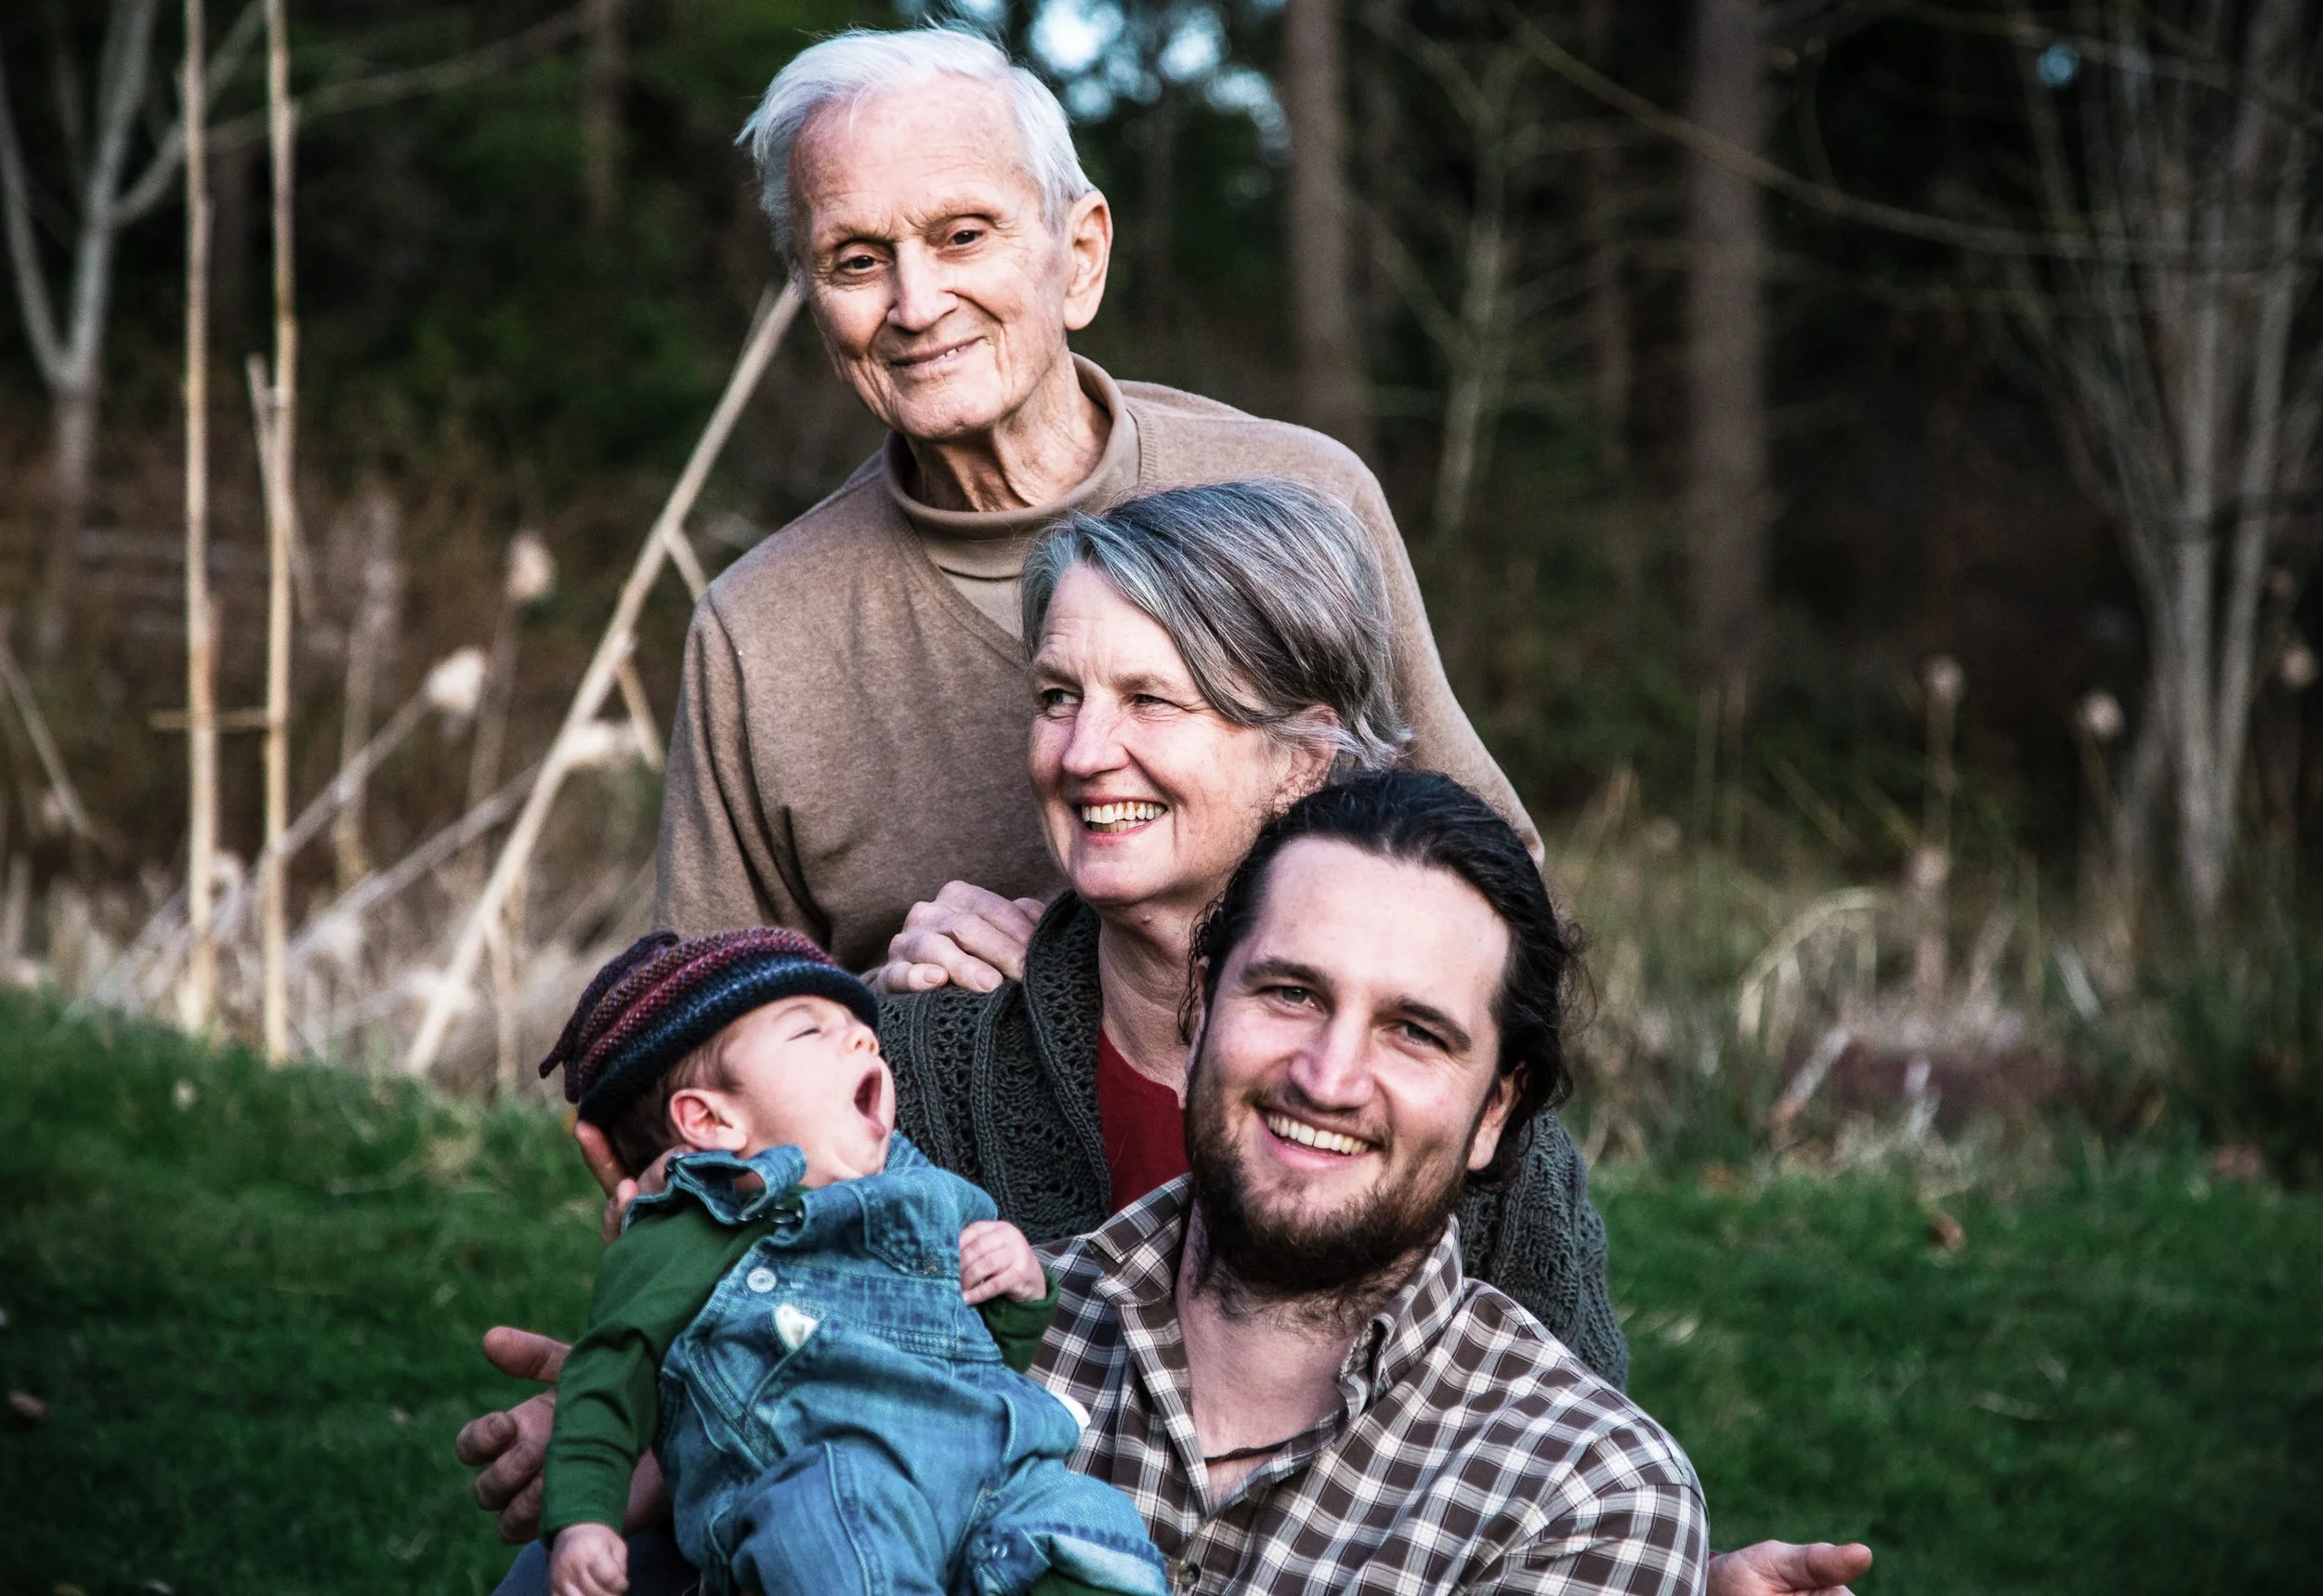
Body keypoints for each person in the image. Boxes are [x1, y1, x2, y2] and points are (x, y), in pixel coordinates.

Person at [654, 25, 1538, 970]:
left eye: (961, 236)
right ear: (812, 299)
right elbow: (684, 1038)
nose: (914, 303)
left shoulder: (1303, 496)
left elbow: (1502, 888)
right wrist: (887, 1012)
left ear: (1078, 256)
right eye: (857, 260)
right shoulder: (758, 631)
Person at [869, 480, 1628, 1386]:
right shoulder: (930, 1053)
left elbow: (1574, 1445)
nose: (1080, 753)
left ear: (1303, 759)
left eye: (1151, 699)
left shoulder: (1449, 1100)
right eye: (1058, 696)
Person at [534, 925, 1167, 1596]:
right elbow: (607, 1370)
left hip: (995, 1476)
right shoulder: (691, 1228)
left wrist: (1019, 1286)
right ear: (712, 1122)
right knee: (824, 1524)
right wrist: (582, 1518)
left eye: (856, 1025)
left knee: (1093, 1531)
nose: (863, 1038)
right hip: (827, 1489)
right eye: (810, 1032)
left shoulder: (929, 1194)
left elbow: (975, 1361)